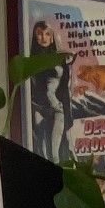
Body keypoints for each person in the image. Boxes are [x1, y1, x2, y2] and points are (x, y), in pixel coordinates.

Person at [27, 19, 72, 163]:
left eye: (47, 34)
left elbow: (64, 88)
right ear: (35, 37)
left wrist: (66, 110)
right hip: (38, 106)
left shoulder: (61, 60)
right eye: (39, 34)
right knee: (40, 145)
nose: (43, 37)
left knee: (56, 152)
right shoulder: (31, 61)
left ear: (52, 37)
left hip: (57, 107)